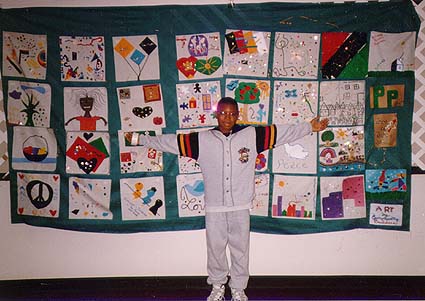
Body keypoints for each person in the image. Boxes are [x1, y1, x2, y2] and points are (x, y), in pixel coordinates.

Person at [125, 97, 328, 301]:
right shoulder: (201, 140)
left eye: (232, 113)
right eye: (223, 113)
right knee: (215, 250)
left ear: (238, 115)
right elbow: (170, 142)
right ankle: (217, 286)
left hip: (240, 206)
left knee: (240, 249)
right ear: (216, 114)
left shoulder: (252, 135)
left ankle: (239, 288)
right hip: (214, 208)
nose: (227, 118)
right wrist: (140, 139)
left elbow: (283, 132)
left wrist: (309, 127)